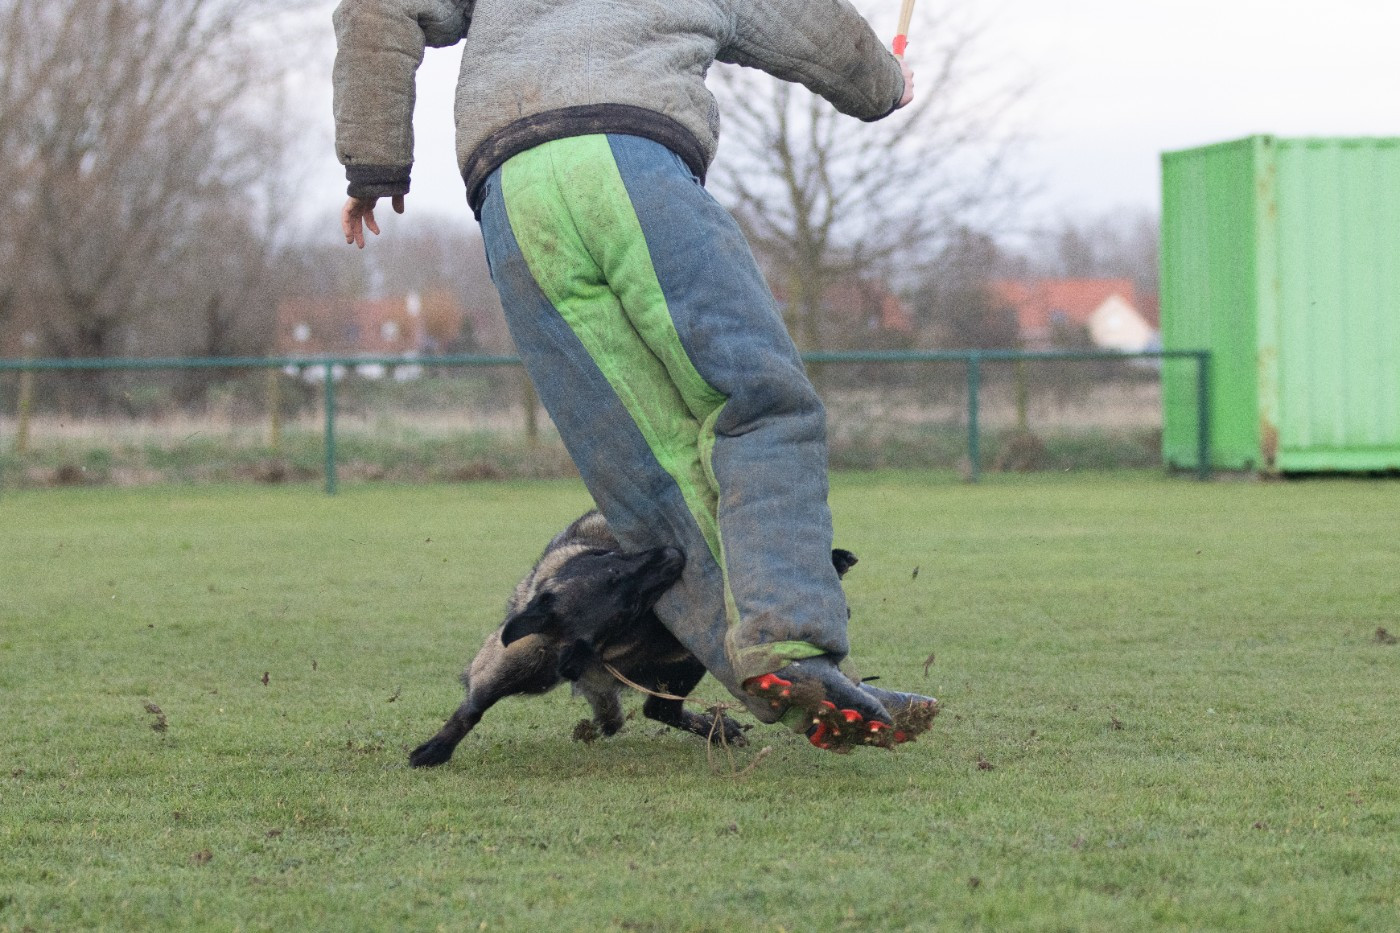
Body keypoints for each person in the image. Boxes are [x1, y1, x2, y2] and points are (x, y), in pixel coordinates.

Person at [333, 0, 938, 750]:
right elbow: (806, 21)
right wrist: (885, 83)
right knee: (761, 405)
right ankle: (788, 644)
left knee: (652, 475)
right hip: (635, 164)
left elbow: (376, 8)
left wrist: (373, 161)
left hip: (514, 198)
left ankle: (786, 681)